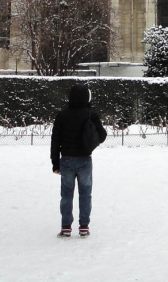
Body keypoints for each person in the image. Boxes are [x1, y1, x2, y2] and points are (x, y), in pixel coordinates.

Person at [50, 83, 107, 238]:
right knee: (85, 193)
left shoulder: (62, 115)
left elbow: (55, 140)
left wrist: (55, 162)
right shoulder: (91, 115)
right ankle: (84, 226)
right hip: (84, 160)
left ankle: (66, 226)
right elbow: (102, 135)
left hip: (66, 160)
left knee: (66, 194)